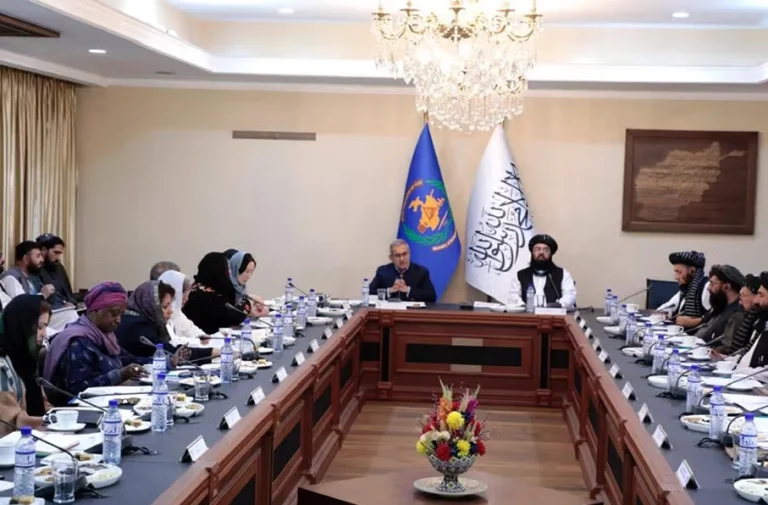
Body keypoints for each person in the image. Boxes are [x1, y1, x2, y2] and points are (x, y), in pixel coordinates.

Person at [43, 282, 147, 404]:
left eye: (121, 314)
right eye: (114, 313)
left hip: (107, 402)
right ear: (94, 311)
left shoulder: (105, 336)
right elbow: (78, 390)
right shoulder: (78, 342)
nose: (119, 320)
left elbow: (127, 359)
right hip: (80, 410)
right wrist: (118, 375)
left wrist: (161, 360)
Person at [116, 281, 216, 363]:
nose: (170, 311)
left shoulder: (139, 319)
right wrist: (216, 352)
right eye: (165, 307)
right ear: (151, 306)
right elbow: (173, 354)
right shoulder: (137, 327)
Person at [0, 295, 52, 434]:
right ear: (21, 325)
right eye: (39, 327)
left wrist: (59, 415)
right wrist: (51, 422)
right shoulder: (2, 365)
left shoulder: (27, 360)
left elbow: (42, 404)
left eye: (45, 327)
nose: (44, 334)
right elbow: (10, 422)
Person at [183, 252, 249, 334]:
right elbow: (233, 316)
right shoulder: (203, 295)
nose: (229, 273)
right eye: (227, 269)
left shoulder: (206, 288)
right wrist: (249, 306)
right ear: (217, 271)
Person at [511, 234, 577, 308]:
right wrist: (524, 306)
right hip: (527, 314)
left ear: (551, 254)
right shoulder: (520, 275)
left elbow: (570, 296)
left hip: (554, 314)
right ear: (532, 252)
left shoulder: (563, 274)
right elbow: (513, 297)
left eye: (546, 250)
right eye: (537, 249)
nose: (541, 252)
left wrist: (556, 305)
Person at [368, 239, 436, 303]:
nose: (402, 259)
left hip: (412, 310)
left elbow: (432, 296)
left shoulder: (421, 272)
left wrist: (408, 290)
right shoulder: (383, 271)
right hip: (389, 310)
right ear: (391, 258)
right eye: (397, 255)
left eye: (404, 254)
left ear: (409, 254)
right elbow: (369, 292)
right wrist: (389, 290)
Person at [657, 251, 710, 329]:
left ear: (692, 271)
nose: (676, 277)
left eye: (679, 272)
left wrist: (695, 322)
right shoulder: (686, 289)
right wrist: (663, 314)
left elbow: (717, 318)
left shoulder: (707, 288)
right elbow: (667, 307)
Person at [158, 270, 212, 348]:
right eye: (182, 294)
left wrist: (203, 338)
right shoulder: (160, 316)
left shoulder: (178, 314)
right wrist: (198, 342)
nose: (186, 299)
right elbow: (173, 342)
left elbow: (191, 330)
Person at [694, 265, 744, 342]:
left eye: (712, 284)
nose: (708, 288)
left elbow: (726, 346)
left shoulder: (736, 315)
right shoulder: (720, 306)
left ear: (727, 287)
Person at [731, 272, 768, 377]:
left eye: (761, 295)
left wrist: (741, 372)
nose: (755, 300)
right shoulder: (764, 325)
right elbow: (748, 357)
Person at [724, 274, 764, 356]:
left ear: (755, 295)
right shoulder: (748, 316)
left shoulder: (759, 321)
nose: (740, 300)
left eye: (743, 295)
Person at [36, 234, 75, 309]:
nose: (58, 257)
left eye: (59, 253)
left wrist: (71, 303)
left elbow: (68, 293)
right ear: (44, 250)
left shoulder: (58, 267)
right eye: (55, 252)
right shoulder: (35, 269)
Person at [228, 251, 269, 317]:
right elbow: (232, 313)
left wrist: (251, 299)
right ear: (236, 269)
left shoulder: (240, 288)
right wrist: (249, 310)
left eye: (251, 272)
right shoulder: (226, 287)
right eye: (247, 271)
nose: (249, 276)